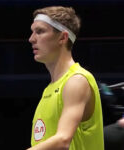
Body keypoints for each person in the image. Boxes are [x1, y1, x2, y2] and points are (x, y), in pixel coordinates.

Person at [27, 6, 104, 150]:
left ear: (63, 37)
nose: (31, 39)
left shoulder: (77, 80)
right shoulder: (49, 89)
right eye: (32, 32)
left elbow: (63, 140)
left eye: (40, 31)